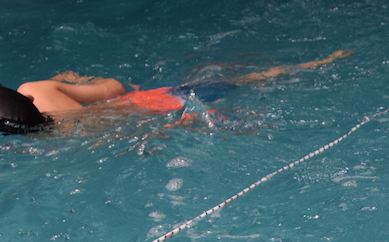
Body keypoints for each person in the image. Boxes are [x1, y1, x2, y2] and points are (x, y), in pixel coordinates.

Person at [1, 50, 351, 134]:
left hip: (161, 113)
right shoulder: (37, 89)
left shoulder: (73, 135)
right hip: (163, 99)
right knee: (251, 77)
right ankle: (320, 61)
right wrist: (72, 79)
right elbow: (114, 88)